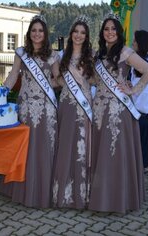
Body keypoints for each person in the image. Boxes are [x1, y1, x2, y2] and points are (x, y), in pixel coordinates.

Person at [89, 15, 148, 214]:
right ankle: (102, 196)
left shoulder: (125, 52)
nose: (110, 32)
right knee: (102, 153)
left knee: (115, 153)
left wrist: (133, 90)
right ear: (102, 32)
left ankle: (117, 199)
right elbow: (94, 80)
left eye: (113, 29)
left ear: (119, 32)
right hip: (99, 109)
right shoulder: (99, 54)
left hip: (118, 111)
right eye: (106, 29)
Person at [0, 15, 60, 208]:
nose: (37, 34)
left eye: (40, 30)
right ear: (29, 33)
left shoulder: (53, 55)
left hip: (46, 108)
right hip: (25, 107)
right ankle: (21, 189)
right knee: (24, 148)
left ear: (45, 34)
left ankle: (43, 191)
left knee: (43, 147)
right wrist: (0, 94)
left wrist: (47, 83)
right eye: (33, 30)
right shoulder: (21, 53)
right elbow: (12, 76)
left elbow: (58, 80)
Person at [52, 16, 94, 209]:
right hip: (67, 103)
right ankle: (64, 193)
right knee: (66, 144)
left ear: (86, 36)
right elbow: (58, 80)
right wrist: (67, 85)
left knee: (82, 146)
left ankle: (81, 194)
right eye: (76, 32)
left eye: (82, 32)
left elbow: (95, 80)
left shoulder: (92, 55)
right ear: (71, 35)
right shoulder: (62, 56)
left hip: (84, 105)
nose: (79, 35)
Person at [130, 30, 148, 173]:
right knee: (143, 134)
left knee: (146, 134)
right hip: (138, 102)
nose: (132, 43)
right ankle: (143, 161)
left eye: (135, 41)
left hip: (147, 104)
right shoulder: (138, 58)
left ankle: (146, 163)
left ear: (141, 42)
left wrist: (142, 107)